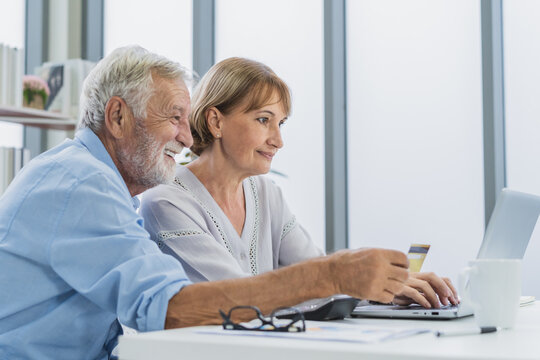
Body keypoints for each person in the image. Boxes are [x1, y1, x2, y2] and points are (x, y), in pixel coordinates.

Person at [0, 45, 410, 360]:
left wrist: (370, 283)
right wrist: (332, 275)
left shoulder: (98, 184)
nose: (186, 136)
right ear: (118, 117)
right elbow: (168, 309)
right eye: (174, 117)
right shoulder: (82, 185)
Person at [140, 57, 459, 309]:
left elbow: (316, 272)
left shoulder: (267, 194)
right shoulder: (166, 203)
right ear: (215, 121)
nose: (277, 140)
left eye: (280, 123)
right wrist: (347, 279)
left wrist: (384, 288)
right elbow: (236, 300)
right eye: (263, 120)